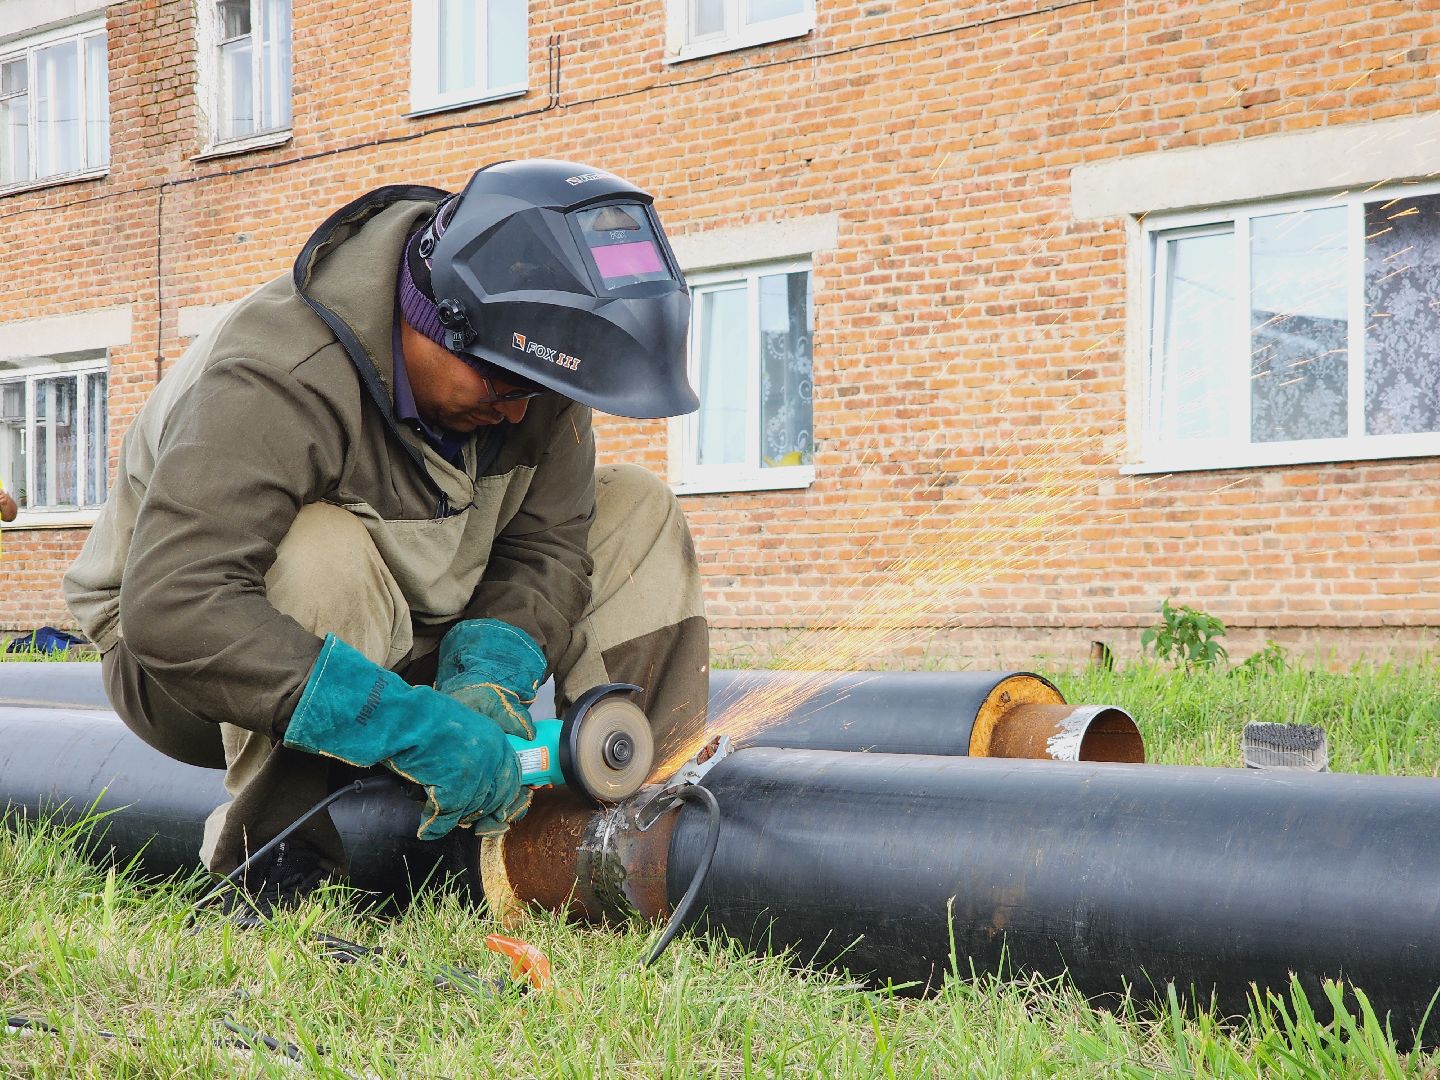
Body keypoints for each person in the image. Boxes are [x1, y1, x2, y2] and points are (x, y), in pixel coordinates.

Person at [63, 159, 710, 918]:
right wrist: (410, 726)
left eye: (537, 393)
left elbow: (545, 546)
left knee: (636, 504)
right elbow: (178, 607)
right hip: (184, 667)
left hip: (409, 619)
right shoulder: (279, 370)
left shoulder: (524, 371)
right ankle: (278, 864)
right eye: (503, 389)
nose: (516, 414)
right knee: (318, 554)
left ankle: (618, 825)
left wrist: (489, 673)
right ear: (437, 324)